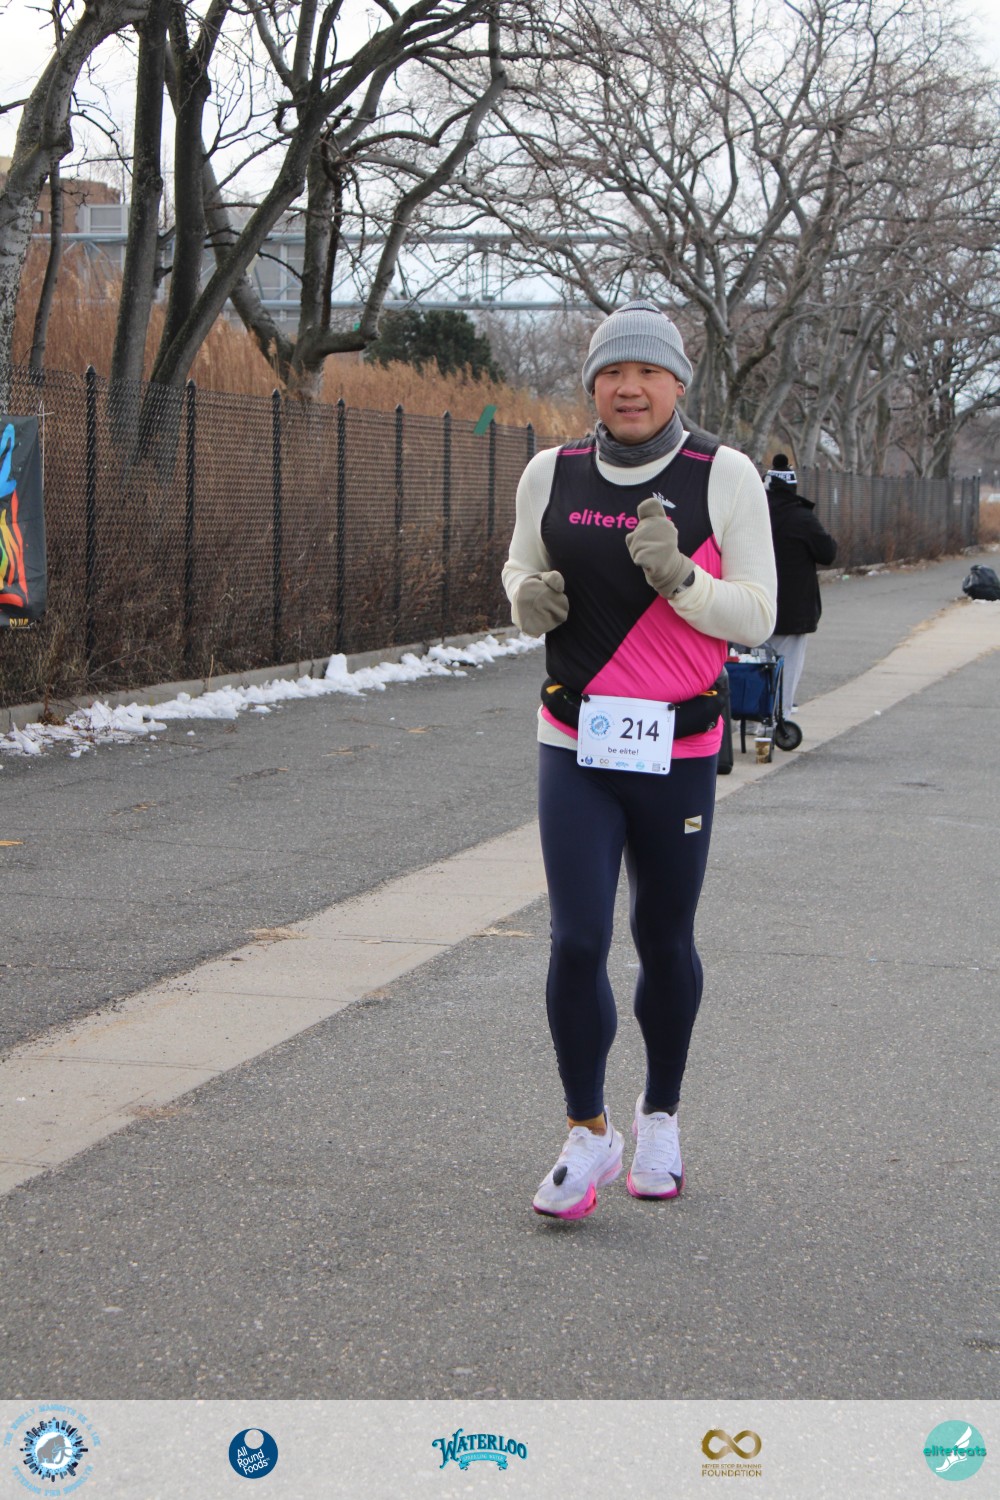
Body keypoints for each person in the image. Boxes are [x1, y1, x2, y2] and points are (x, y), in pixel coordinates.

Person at [502, 299, 777, 1220]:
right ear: (592, 385)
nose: (629, 388)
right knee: (577, 940)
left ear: (677, 383)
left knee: (663, 937)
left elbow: (760, 615)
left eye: (648, 372)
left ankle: (659, 1115)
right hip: (575, 739)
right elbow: (518, 568)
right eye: (612, 373)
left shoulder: (721, 474)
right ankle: (588, 1131)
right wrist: (527, 599)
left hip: (679, 746)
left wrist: (684, 580)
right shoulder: (551, 472)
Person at [763, 455, 838, 716]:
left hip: (753, 604)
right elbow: (827, 553)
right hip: (793, 609)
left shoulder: (753, 513)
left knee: (750, 663)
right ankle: (779, 717)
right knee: (788, 664)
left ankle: (748, 716)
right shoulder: (803, 518)